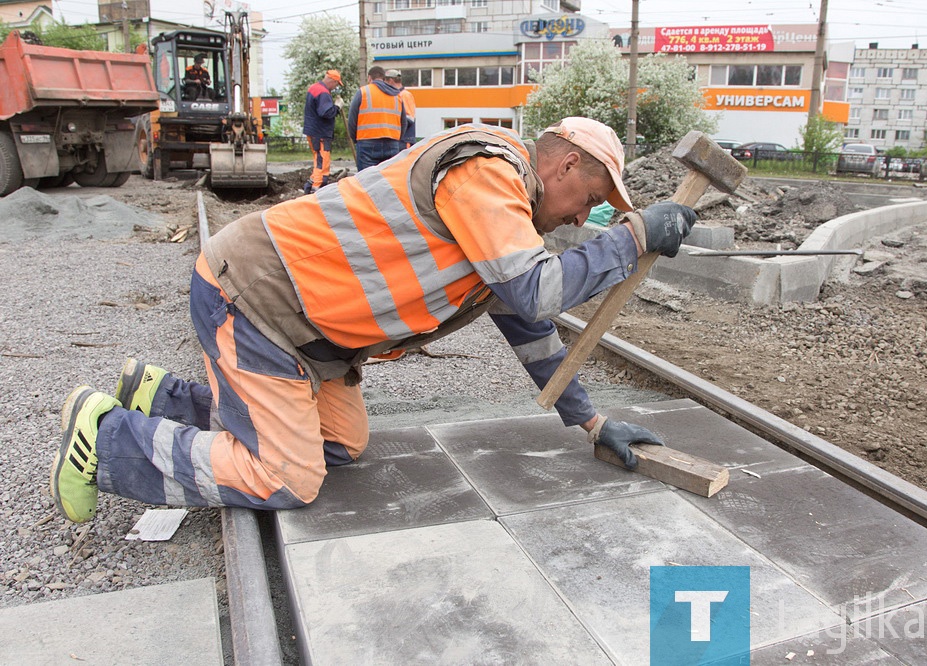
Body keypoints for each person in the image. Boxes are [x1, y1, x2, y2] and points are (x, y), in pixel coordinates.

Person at [49, 117, 698, 523]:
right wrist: (632, 239)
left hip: (308, 338)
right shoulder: (489, 170)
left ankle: (157, 397)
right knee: (286, 476)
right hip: (257, 303)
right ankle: (104, 440)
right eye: (587, 200)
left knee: (341, 446)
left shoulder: (503, 222)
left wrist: (592, 420)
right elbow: (537, 293)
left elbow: (532, 332)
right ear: (562, 166)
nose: (585, 218)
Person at [347, 65, 411, 172]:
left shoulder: (363, 92)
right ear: (384, 78)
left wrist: (355, 139)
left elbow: (352, 120)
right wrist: (396, 139)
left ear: (369, 78)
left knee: (366, 181)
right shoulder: (397, 95)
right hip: (392, 143)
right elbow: (403, 122)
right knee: (389, 181)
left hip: (367, 143)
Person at [303, 69, 345, 194]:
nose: (336, 87)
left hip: (313, 131)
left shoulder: (314, 88)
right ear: (332, 81)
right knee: (323, 163)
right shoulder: (323, 93)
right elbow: (326, 112)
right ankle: (317, 190)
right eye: (337, 84)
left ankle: (309, 186)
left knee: (318, 161)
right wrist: (337, 107)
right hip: (321, 133)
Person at [385, 69, 416, 148]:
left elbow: (409, 119)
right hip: (399, 139)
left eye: (385, 81)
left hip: (404, 140)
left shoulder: (405, 95)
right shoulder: (397, 95)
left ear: (391, 81)